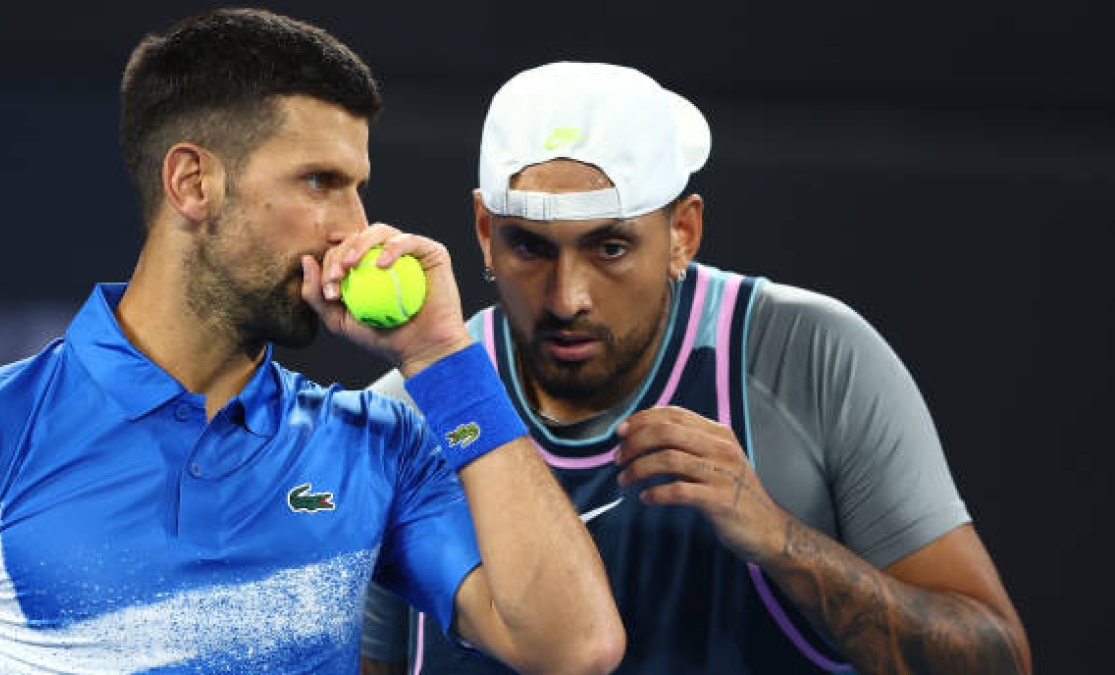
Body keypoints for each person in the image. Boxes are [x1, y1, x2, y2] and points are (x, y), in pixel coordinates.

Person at [0, 13, 625, 674]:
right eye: (320, 182)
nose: (354, 226)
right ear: (193, 184)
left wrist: (442, 356)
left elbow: (575, 646)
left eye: (358, 188)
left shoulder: (379, 446)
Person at [360, 62, 1032, 674]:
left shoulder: (813, 356)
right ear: (484, 231)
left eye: (612, 247)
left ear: (682, 232)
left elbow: (1000, 662)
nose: (568, 298)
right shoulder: (403, 419)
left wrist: (781, 541)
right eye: (530, 247)